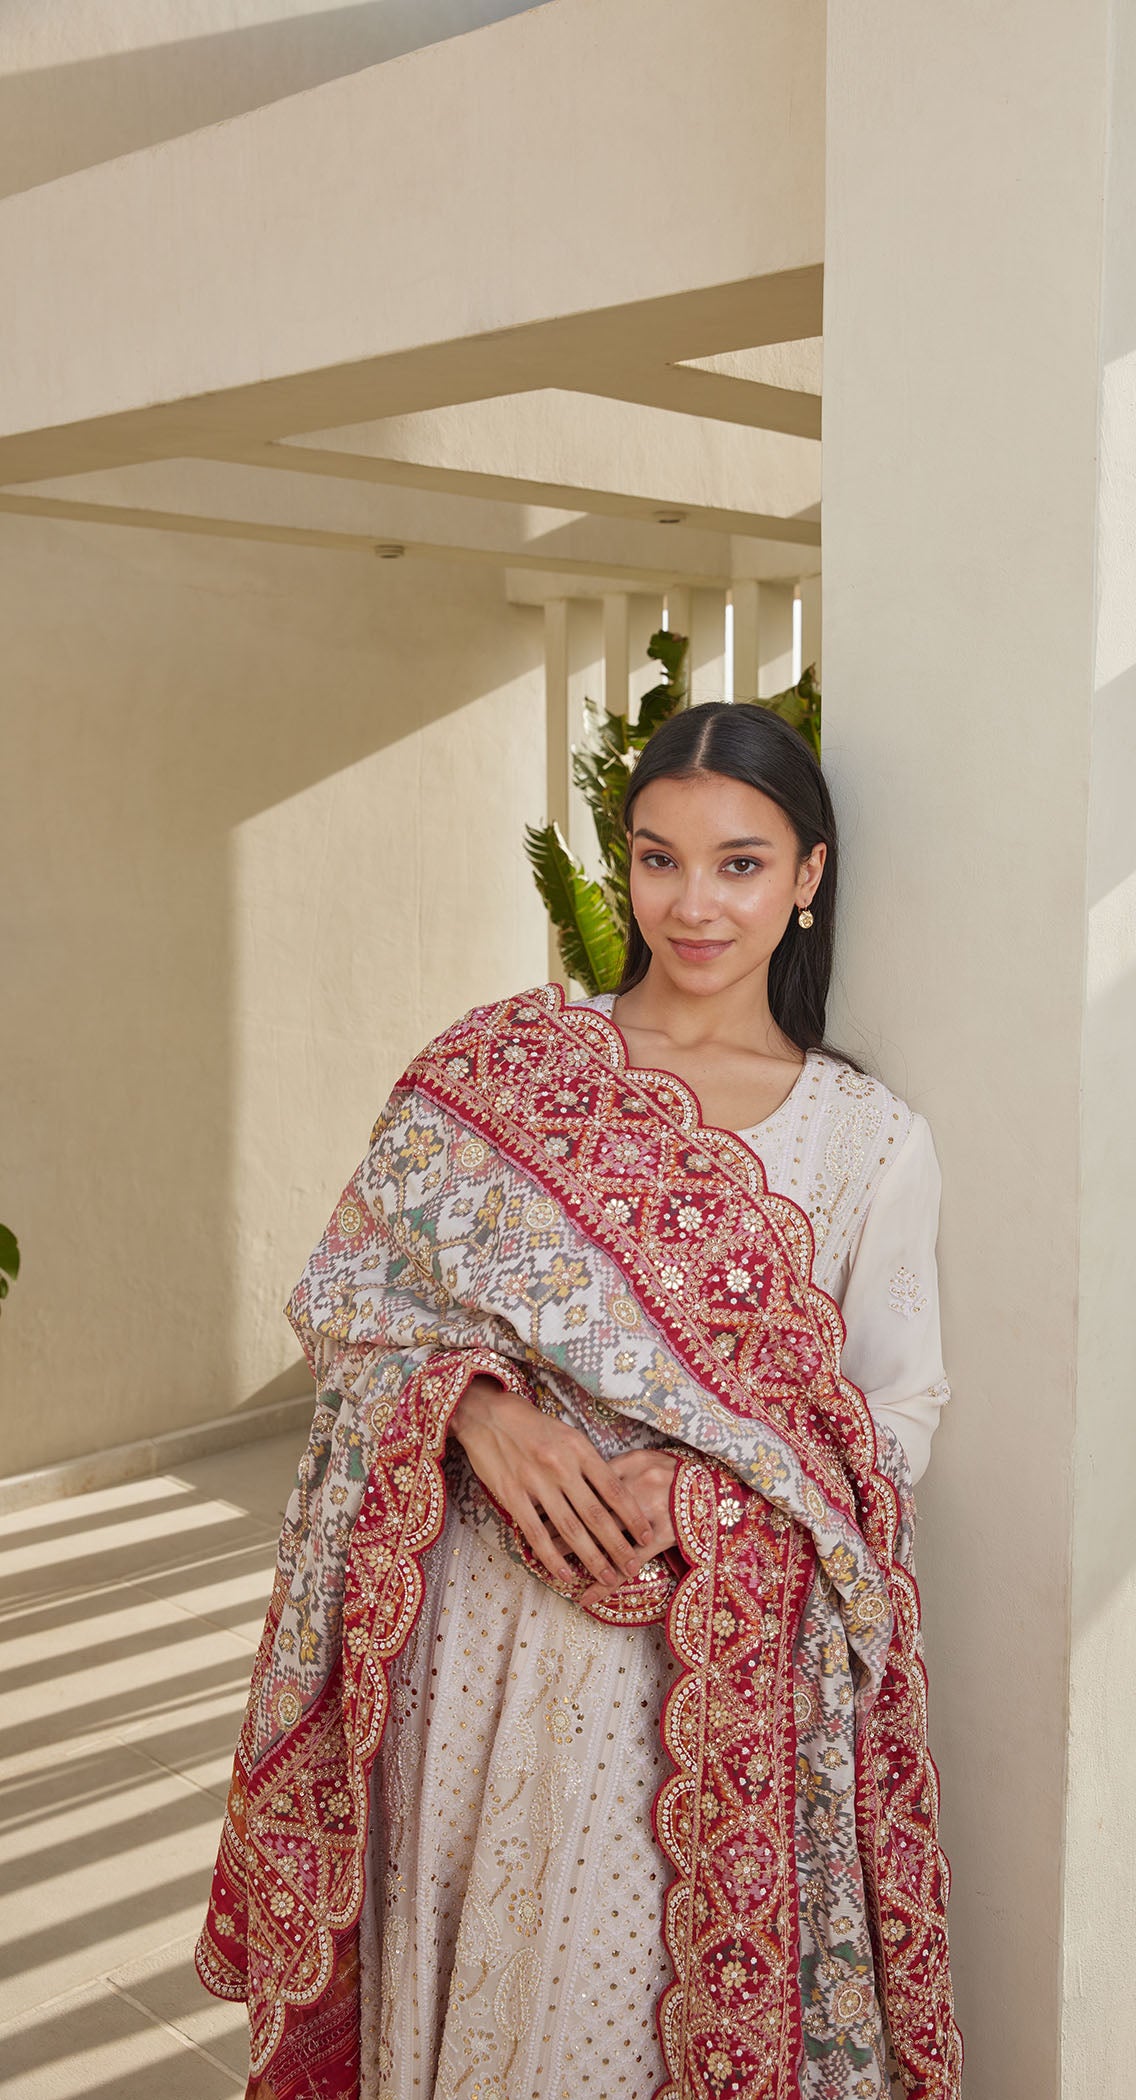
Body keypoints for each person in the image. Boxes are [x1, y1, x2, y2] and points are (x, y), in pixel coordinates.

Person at [199, 702, 963, 2100]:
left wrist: (700, 1491)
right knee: (454, 2002)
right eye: (659, 859)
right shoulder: (504, 1069)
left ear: (809, 875)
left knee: (606, 2024)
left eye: (740, 863)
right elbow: (352, 1300)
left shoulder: (863, 1140)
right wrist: (478, 1415)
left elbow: (892, 1420)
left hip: (679, 1670)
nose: (694, 902)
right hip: (468, 1635)